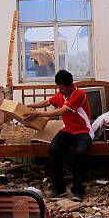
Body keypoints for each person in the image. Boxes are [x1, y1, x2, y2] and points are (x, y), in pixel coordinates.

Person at [23, 69, 93, 201]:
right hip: (67, 130)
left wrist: (38, 114)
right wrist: (28, 106)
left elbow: (61, 111)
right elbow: (47, 102)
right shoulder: (61, 94)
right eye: (58, 87)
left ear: (70, 85)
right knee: (54, 149)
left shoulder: (79, 94)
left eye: (62, 87)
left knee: (80, 153)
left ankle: (78, 190)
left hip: (83, 131)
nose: (60, 90)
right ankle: (59, 188)